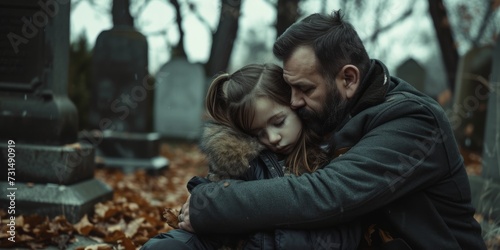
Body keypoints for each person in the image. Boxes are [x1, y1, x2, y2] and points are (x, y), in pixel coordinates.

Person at [177, 10, 487, 249]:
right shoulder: (333, 114)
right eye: (290, 89)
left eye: (305, 89)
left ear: (349, 79)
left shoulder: (414, 122)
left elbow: (326, 193)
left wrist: (212, 203)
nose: (294, 102)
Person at [142, 63, 362, 249]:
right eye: (258, 133)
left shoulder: (331, 158)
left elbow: (343, 234)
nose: (273, 138)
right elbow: (209, 233)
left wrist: (258, 240)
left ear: (295, 105)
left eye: (278, 122)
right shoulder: (244, 162)